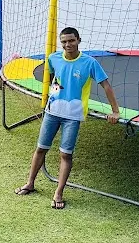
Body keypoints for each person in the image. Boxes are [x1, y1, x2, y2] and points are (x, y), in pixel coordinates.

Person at [14, 27, 121, 210]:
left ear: (79, 40)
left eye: (71, 40)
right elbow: (52, 77)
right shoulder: (53, 58)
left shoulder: (90, 63)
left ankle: (58, 192)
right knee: (41, 148)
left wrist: (115, 111)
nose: (67, 44)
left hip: (73, 116)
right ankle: (30, 183)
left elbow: (106, 86)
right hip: (52, 112)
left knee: (66, 154)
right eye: (64, 41)